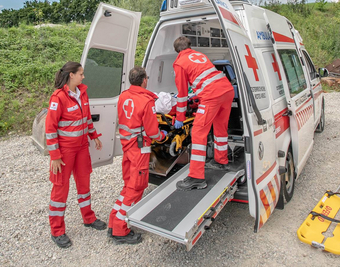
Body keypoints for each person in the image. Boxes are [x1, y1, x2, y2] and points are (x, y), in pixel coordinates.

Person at [45, 61, 107, 248]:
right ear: (71, 75)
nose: (83, 76)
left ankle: (88, 218)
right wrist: (55, 155)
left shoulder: (82, 93)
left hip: (81, 148)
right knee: (60, 189)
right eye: (81, 73)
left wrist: (93, 135)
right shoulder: (58, 98)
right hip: (64, 152)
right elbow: (50, 129)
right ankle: (57, 231)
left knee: (84, 184)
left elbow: (86, 117)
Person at [108, 66, 167, 244]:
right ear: (144, 80)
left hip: (127, 147)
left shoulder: (123, 96)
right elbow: (152, 130)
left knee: (128, 186)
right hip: (139, 150)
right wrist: (162, 137)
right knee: (136, 188)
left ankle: (114, 219)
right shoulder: (146, 101)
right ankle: (120, 229)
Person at [172, 36, 235, 191]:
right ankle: (221, 160)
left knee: (199, 132)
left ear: (177, 51)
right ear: (189, 46)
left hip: (212, 96)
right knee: (220, 128)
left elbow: (181, 94)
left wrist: (180, 117)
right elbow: (205, 78)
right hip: (226, 90)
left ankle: (196, 177)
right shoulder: (200, 55)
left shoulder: (179, 63)